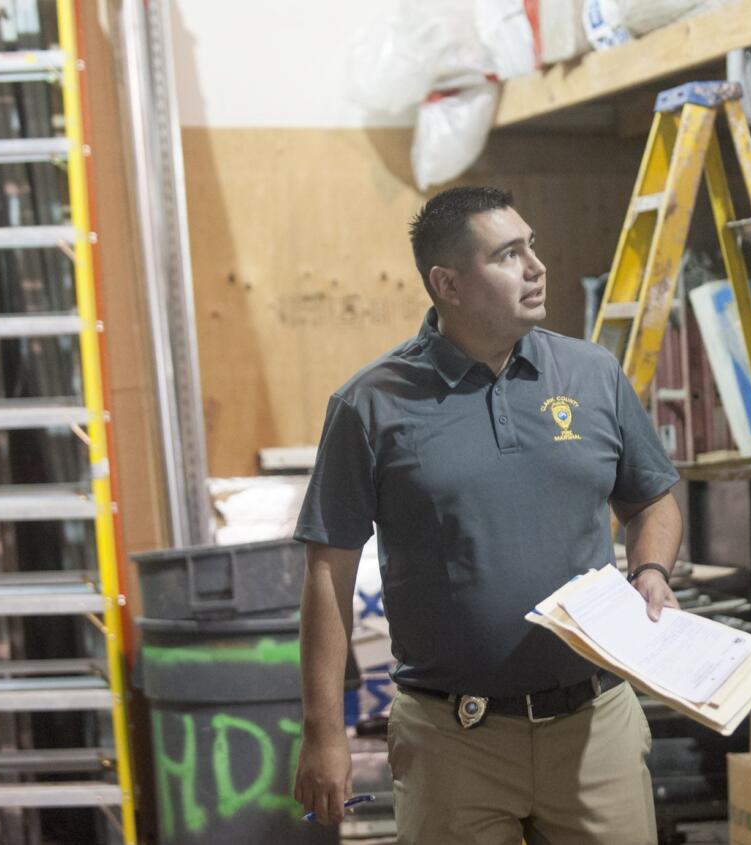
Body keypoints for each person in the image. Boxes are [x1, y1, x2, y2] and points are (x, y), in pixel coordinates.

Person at [292, 186, 683, 845]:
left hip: (594, 725)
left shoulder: (591, 374)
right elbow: (328, 572)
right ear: (447, 283)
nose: (536, 266)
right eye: (508, 254)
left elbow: (652, 499)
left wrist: (650, 569)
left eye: (532, 245)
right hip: (453, 740)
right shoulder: (371, 404)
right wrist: (322, 731)